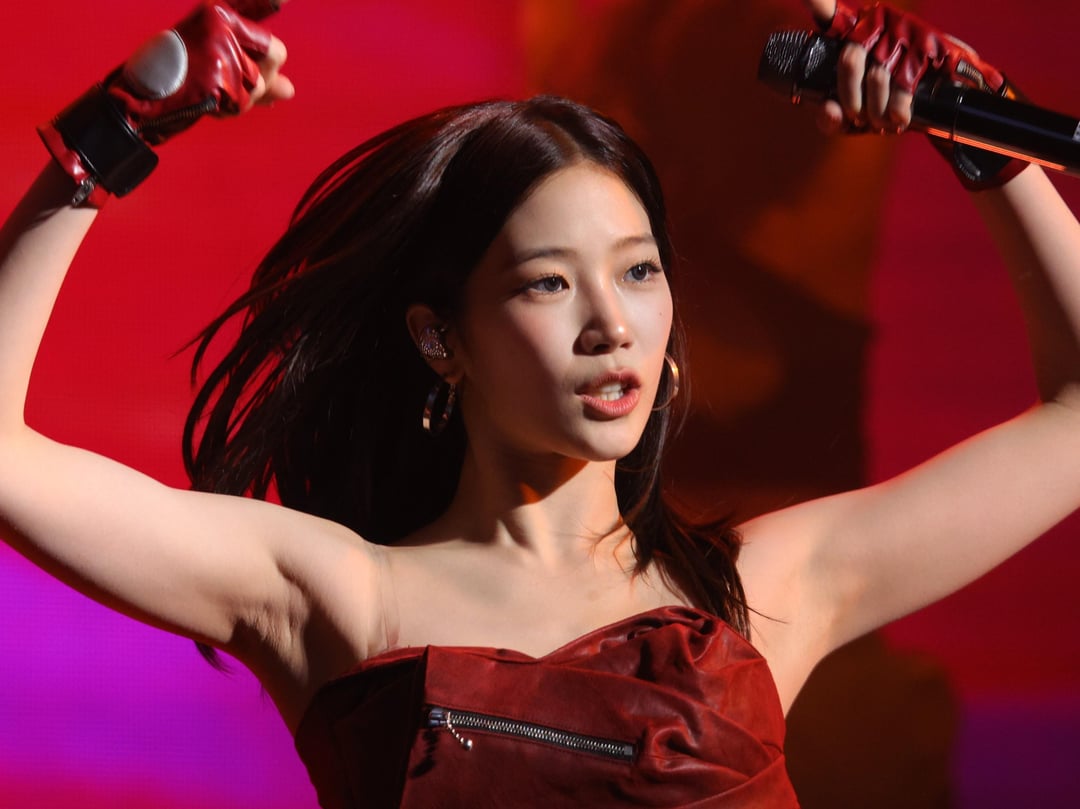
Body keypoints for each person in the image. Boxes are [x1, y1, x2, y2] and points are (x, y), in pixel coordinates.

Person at [1, 0, 1077, 806]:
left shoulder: (760, 598)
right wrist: (112, 132)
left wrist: (982, 128)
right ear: (443, 338)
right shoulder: (336, 594)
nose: (612, 323)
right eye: (548, 283)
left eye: (640, 271)